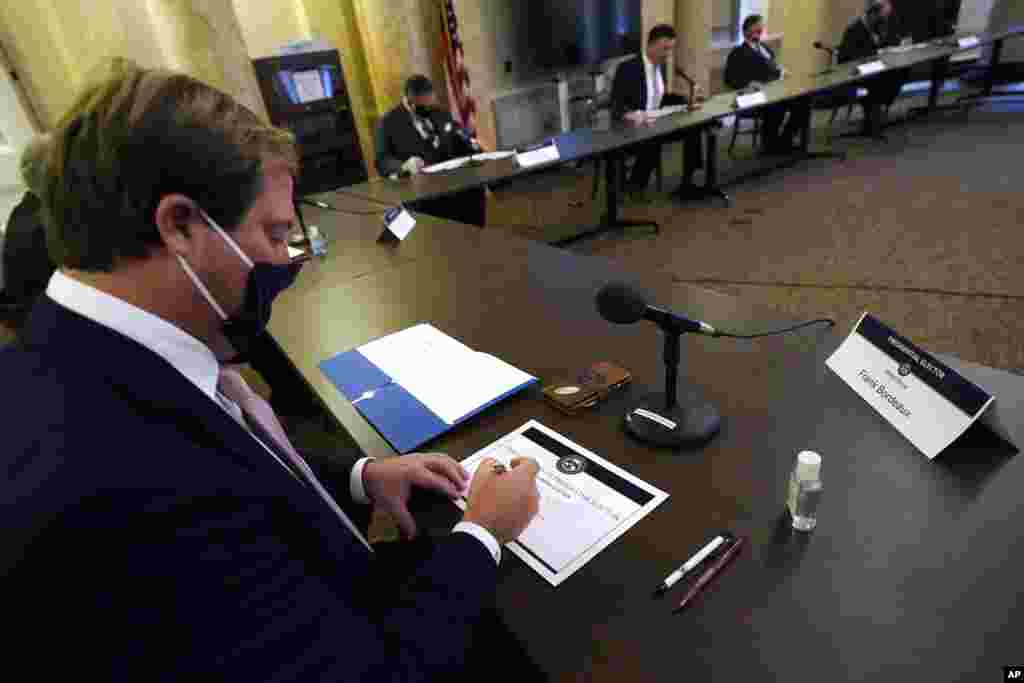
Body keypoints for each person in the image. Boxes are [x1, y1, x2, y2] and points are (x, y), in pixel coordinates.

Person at [1, 58, 542, 681]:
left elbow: (240, 454)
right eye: (276, 234)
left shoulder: (70, 348)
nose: (287, 260)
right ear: (180, 225)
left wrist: (363, 476)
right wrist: (483, 534)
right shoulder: (127, 481)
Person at [610, 24, 708, 200]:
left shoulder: (660, 67)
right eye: (665, 48)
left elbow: (659, 97)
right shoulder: (628, 68)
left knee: (693, 126)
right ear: (650, 45)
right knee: (652, 136)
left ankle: (688, 181)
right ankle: (636, 184)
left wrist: (685, 101)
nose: (668, 54)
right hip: (632, 126)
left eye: (670, 49)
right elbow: (617, 105)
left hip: (655, 122)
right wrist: (632, 114)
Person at [375, 75, 487, 227]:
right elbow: (382, 161)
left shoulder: (440, 113)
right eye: (423, 106)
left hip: (453, 185)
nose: (428, 108)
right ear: (409, 101)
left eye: (430, 102)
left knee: (474, 191)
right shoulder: (389, 122)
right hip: (422, 191)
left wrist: (473, 144)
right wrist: (403, 166)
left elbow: (458, 139)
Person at [724, 15, 812, 154]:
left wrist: (782, 71)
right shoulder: (738, 52)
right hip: (756, 96)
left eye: (761, 27)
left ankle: (785, 140)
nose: (760, 29)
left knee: (803, 101)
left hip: (776, 90)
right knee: (776, 106)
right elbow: (730, 78)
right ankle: (771, 144)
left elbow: (773, 67)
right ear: (747, 30)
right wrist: (748, 84)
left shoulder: (764, 47)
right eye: (757, 27)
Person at [838, 0, 909, 136]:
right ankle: (874, 117)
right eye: (882, 18)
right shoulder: (854, 30)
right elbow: (845, 59)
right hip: (855, 75)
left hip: (874, 70)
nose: (884, 22)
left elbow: (886, 45)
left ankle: (879, 109)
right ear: (873, 14)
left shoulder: (877, 27)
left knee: (902, 72)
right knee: (879, 82)